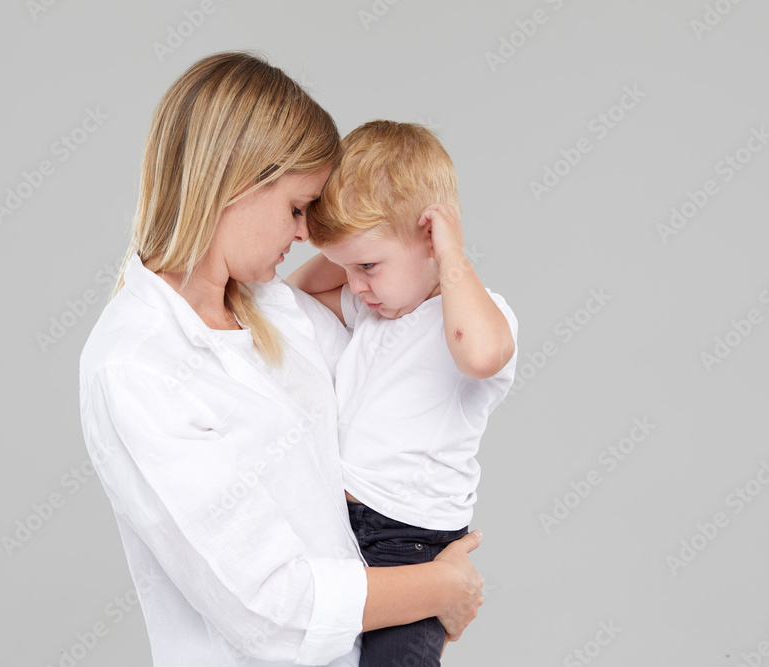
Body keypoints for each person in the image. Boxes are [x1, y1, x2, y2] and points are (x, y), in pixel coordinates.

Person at [78, 52, 486, 666]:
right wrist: (439, 588)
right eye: (299, 208)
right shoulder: (138, 364)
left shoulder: (278, 312)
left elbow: (392, 392)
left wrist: (413, 235)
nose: (304, 234)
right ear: (232, 185)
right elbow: (269, 609)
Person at [287, 120, 518, 666]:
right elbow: (294, 295)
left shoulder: (472, 316)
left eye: (368, 267)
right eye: (349, 269)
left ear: (431, 238)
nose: (356, 286)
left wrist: (452, 259)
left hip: (410, 542)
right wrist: (350, 246)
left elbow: (481, 355)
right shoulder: (372, 312)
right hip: (340, 527)